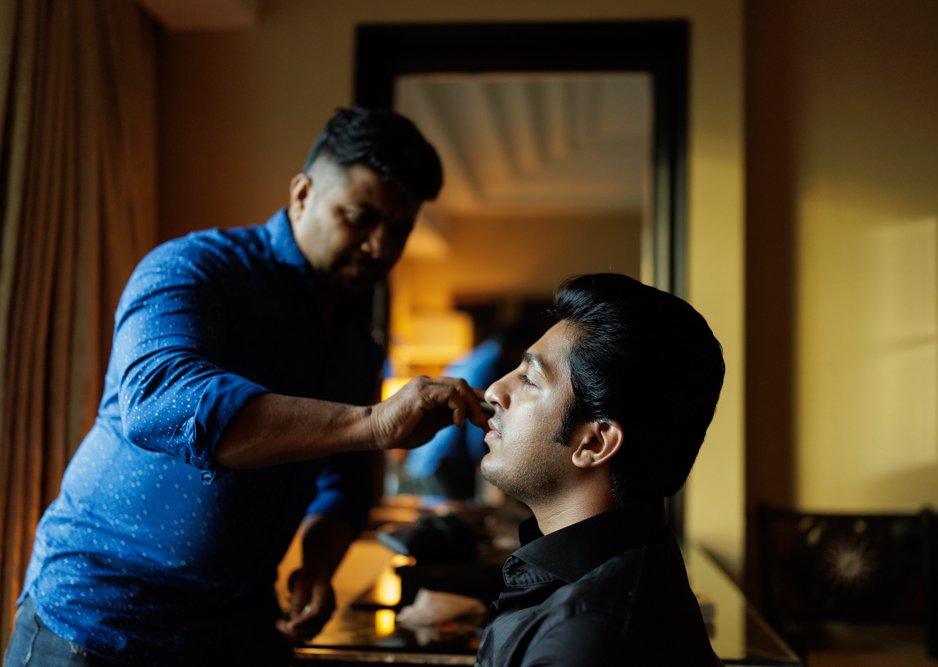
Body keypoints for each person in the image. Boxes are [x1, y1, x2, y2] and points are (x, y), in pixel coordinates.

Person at [4, 107, 488, 667]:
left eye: (398, 230)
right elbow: (160, 401)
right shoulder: (193, 268)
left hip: (233, 629)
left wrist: (318, 565)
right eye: (360, 217)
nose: (380, 246)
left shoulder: (358, 344)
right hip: (97, 618)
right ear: (302, 195)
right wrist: (373, 422)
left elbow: (345, 482)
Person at [474, 273, 726, 667]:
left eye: (529, 379)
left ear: (594, 443)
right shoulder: (626, 572)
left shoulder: (586, 638)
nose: (493, 391)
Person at [401, 314, 550, 500]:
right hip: (445, 462)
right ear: (519, 346)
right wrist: (487, 458)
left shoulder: (473, 357)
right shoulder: (490, 366)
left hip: (424, 457)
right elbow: (477, 418)